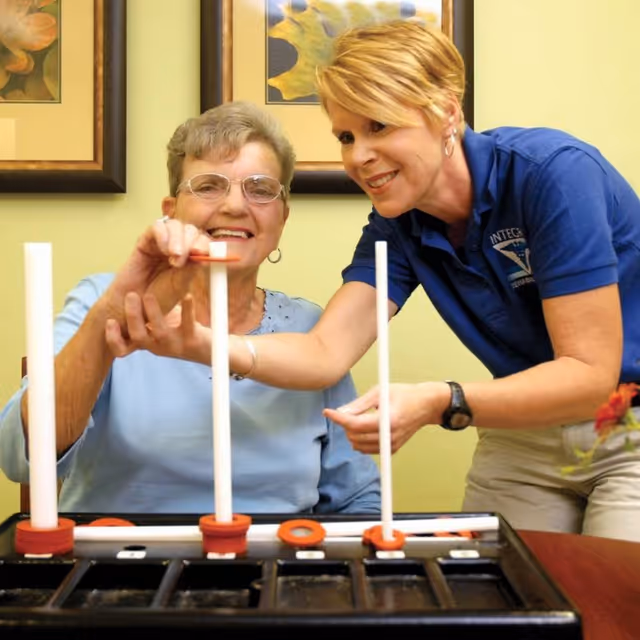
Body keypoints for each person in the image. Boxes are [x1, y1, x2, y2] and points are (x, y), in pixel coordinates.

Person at [221, 20, 639, 541]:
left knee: (614, 607)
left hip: (628, 426)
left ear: (446, 112)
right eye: (346, 136)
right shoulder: (398, 225)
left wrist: (440, 400)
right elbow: (326, 350)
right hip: (525, 432)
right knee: (493, 606)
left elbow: (589, 377)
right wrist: (205, 343)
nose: (356, 157)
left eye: (379, 126)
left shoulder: (553, 174)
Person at [0, 101, 381, 515]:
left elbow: (356, 499)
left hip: (275, 568)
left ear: (282, 219)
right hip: (126, 568)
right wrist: (110, 318)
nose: (235, 206)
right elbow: (20, 456)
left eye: (259, 188)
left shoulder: (313, 332)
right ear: (171, 212)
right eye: (209, 186)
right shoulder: (101, 298)